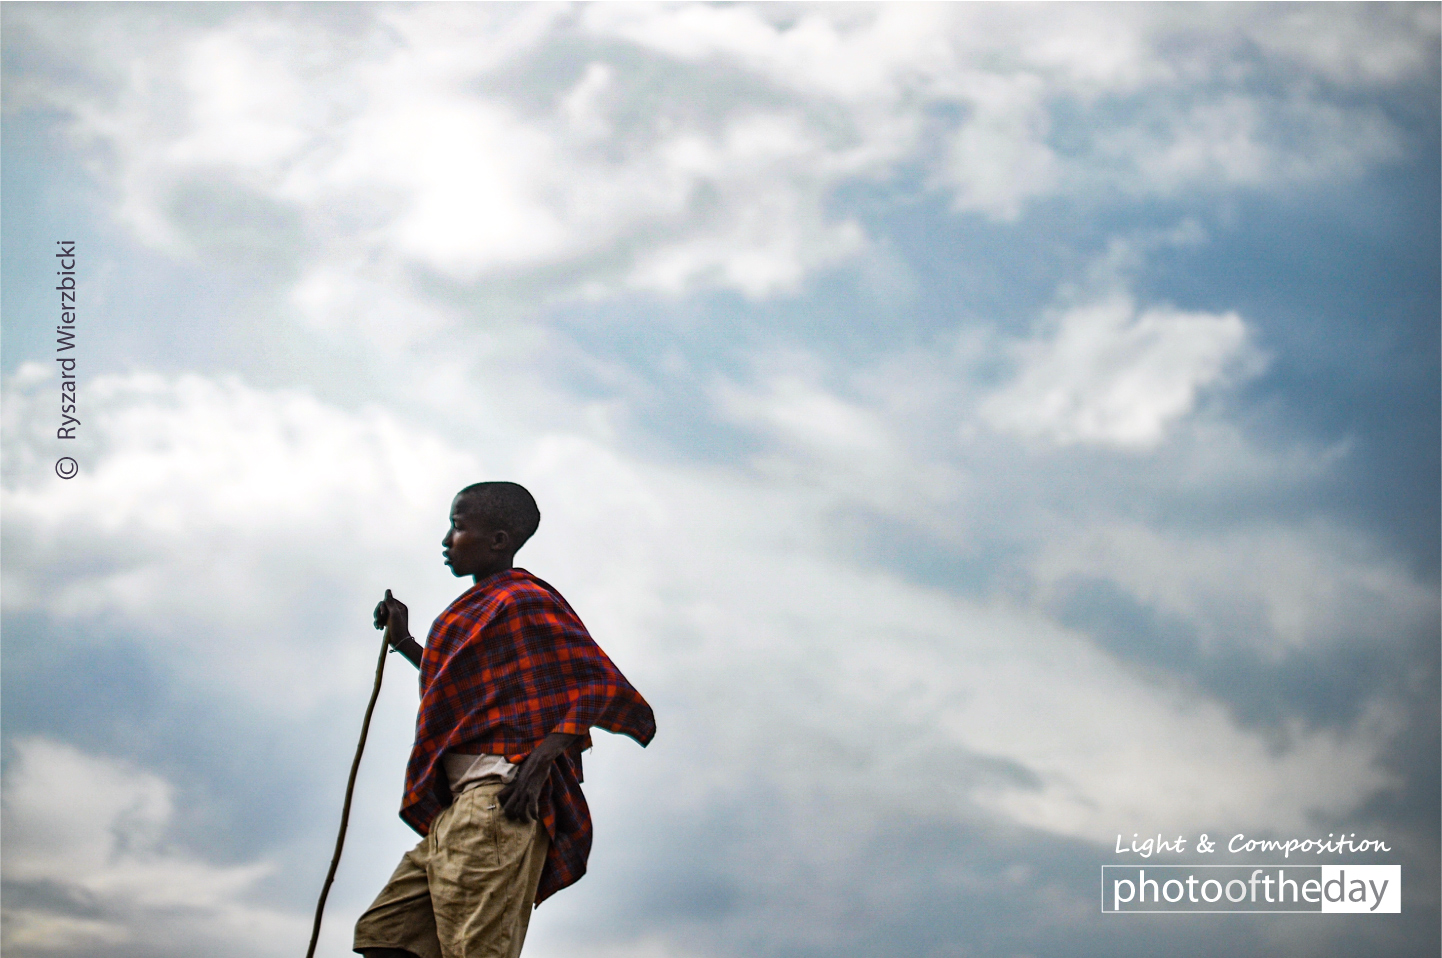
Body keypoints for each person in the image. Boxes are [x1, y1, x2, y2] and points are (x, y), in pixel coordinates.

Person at [354, 481, 656, 958]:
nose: (446, 540)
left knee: (476, 950)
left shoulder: (522, 599)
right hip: (458, 811)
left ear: (498, 540)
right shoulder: (479, 609)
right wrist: (405, 641)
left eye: (457, 527)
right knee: (386, 937)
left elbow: (599, 684)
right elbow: (468, 687)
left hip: (496, 803)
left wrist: (542, 759)